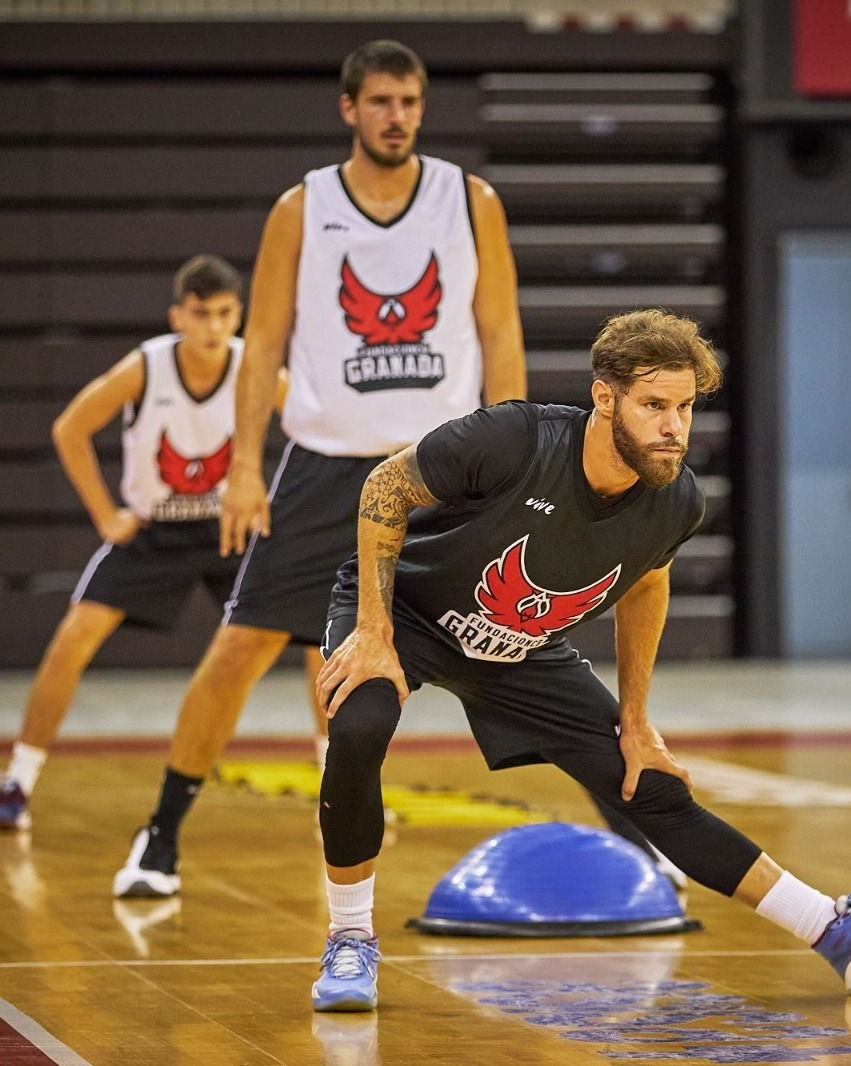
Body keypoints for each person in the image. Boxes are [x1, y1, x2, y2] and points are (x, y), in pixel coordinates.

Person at [308, 309, 851, 1011]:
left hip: (519, 647)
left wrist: (638, 718)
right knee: (359, 725)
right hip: (405, 613)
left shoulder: (675, 502)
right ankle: (350, 941)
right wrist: (372, 627)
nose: (674, 426)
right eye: (654, 406)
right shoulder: (514, 439)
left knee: (649, 784)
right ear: (604, 398)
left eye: (684, 408)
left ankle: (836, 932)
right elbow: (384, 488)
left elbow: (646, 581)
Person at [111, 39, 529, 897]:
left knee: (523, 647)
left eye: (409, 101)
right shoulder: (301, 209)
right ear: (348, 108)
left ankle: (634, 837)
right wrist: (240, 467)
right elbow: (259, 343)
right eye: (379, 101)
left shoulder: (470, 200)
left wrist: (511, 452)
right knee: (239, 649)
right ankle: (161, 833)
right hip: (322, 467)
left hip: (435, 466)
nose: (396, 117)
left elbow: (501, 333)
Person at [0, 254, 251, 832]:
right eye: (201, 314)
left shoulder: (255, 369)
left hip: (228, 530)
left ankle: (336, 781)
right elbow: (70, 428)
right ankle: (17, 782)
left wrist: (262, 493)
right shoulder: (146, 367)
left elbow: (312, 429)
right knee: (71, 639)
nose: (213, 328)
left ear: (239, 315)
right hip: (153, 530)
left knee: (317, 633)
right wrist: (106, 515)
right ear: (177, 315)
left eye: (225, 314)